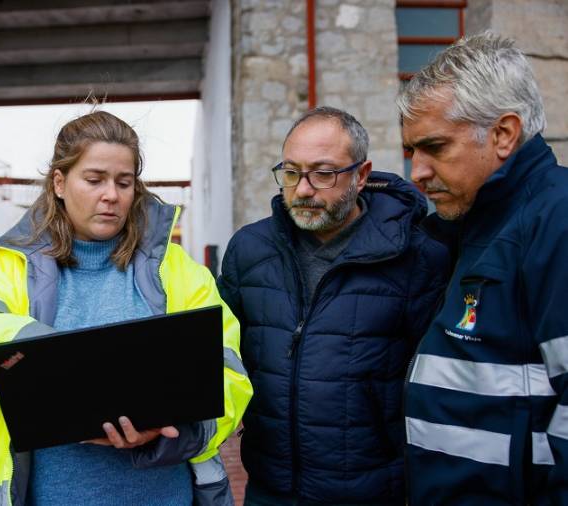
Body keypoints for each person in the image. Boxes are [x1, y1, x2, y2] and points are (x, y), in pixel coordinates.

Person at [0, 110, 252, 506]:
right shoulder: (7, 263)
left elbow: (229, 372)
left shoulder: (177, 270)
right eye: (94, 180)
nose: (112, 195)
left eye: (124, 183)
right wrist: (66, 364)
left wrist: (169, 427)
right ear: (59, 182)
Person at [218, 106, 449, 505]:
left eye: (323, 174)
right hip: (269, 490)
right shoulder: (249, 249)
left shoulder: (418, 256)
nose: (303, 190)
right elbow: (218, 354)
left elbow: (438, 388)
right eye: (291, 173)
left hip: (373, 492)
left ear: (361, 176)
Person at [398, 32, 568, 504]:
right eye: (412, 151)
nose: (418, 172)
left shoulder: (556, 219)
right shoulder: (471, 227)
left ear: (504, 134)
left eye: (434, 147)